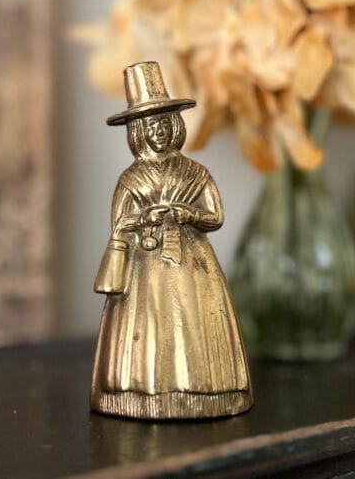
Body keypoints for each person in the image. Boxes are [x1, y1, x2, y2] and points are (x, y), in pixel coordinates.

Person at [91, 61, 253, 419]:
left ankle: (209, 392)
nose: (159, 131)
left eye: (164, 123)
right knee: (148, 326)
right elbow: (118, 225)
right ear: (138, 132)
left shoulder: (196, 173)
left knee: (195, 325)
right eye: (151, 125)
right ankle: (142, 392)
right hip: (144, 268)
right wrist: (143, 219)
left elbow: (216, 216)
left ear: (175, 125)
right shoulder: (130, 179)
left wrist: (189, 215)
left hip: (194, 266)